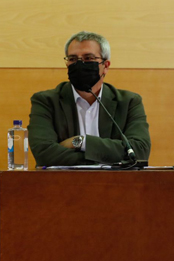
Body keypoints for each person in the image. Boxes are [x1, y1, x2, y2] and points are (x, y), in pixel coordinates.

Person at [28, 31, 150, 167]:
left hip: (116, 180)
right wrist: (103, 159)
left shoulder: (129, 102)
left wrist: (80, 141)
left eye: (88, 58)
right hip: (63, 180)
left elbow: (140, 151)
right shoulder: (46, 102)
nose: (80, 64)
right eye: (73, 59)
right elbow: (44, 154)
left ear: (105, 66)